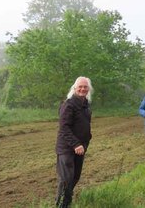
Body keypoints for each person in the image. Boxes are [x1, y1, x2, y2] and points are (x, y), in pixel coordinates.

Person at [55, 76, 93, 208]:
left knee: (74, 178)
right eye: (80, 87)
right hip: (66, 148)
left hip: (80, 148)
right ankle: (61, 205)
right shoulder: (68, 105)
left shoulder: (86, 105)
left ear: (88, 89)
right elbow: (64, 127)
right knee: (66, 180)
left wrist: (85, 142)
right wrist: (76, 144)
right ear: (75, 88)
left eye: (85, 87)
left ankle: (66, 204)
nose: (83, 89)